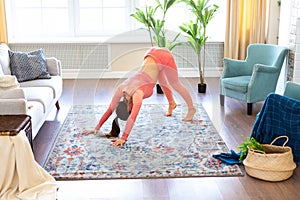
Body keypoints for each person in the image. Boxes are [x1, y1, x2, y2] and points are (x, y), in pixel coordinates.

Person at [83, 47, 196, 146]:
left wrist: (123, 138)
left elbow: (132, 118)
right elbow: (109, 110)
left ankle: (191, 109)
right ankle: (172, 103)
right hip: (150, 55)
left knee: (175, 83)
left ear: (128, 106)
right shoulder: (121, 89)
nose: (131, 111)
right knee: (161, 81)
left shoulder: (137, 95)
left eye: (130, 111)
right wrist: (96, 128)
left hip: (162, 56)